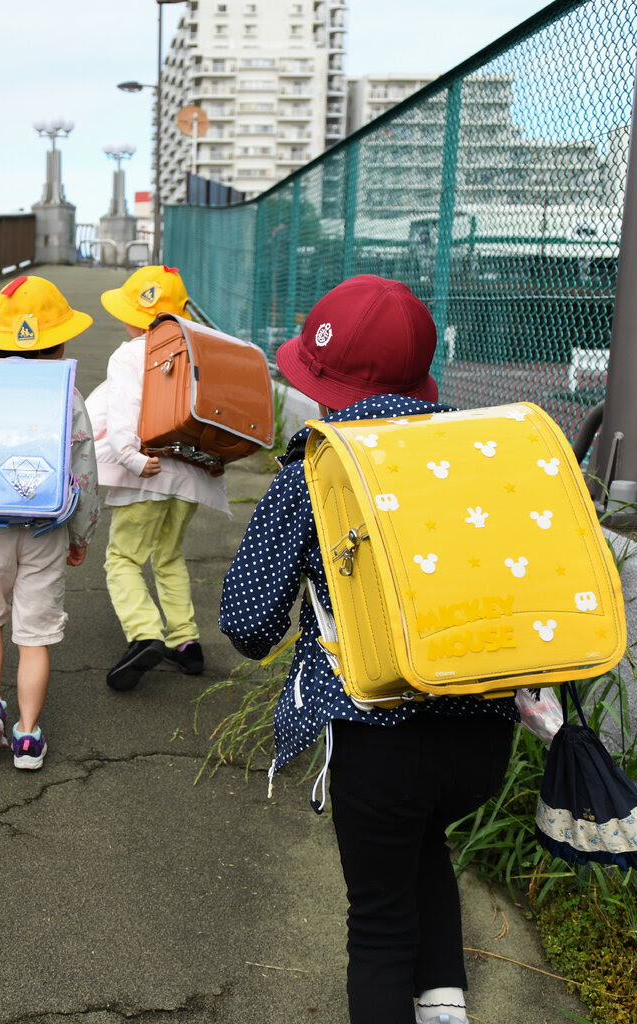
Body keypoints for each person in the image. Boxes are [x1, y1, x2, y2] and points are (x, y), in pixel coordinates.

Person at [219, 275, 518, 1024]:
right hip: (483, 737)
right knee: (424, 853)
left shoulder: (316, 475)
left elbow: (249, 624)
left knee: (380, 926)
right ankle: (446, 1010)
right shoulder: (482, 457)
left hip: (378, 739)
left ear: (320, 387)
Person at [0, 275, 99, 770]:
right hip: (46, 529)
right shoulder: (69, 397)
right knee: (34, 636)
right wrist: (80, 534)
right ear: (58, 344)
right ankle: (25, 735)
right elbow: (83, 471)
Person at [87, 265, 231, 692]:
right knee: (168, 556)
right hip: (190, 474)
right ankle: (186, 641)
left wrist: (129, 456)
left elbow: (124, 410)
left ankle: (145, 632)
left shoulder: (131, 353)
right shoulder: (199, 350)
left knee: (123, 558)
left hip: (147, 474)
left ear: (134, 316)